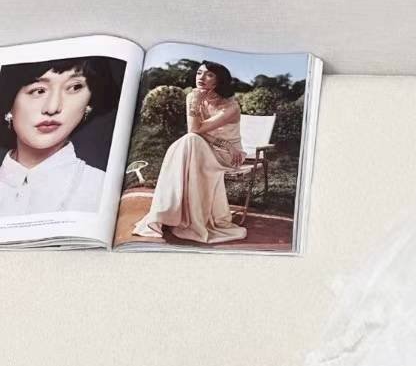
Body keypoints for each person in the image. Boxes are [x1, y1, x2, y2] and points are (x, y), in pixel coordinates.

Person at [132, 61, 248, 243]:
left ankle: (175, 213)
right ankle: (173, 212)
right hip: (203, 147)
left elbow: (195, 130)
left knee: (190, 141)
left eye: (209, 74)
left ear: (219, 80)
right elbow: (194, 131)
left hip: (227, 155)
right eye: (199, 73)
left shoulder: (230, 107)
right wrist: (195, 102)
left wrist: (227, 146)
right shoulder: (192, 97)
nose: (201, 77)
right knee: (190, 141)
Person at [0, 57, 113, 216]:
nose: (52, 108)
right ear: (9, 101)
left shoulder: (103, 187)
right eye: (38, 91)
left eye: (74, 87)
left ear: (89, 103)